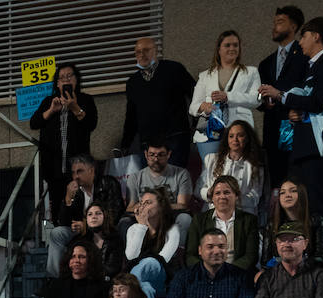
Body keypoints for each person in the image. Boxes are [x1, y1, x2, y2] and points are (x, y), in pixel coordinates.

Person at [258, 16, 323, 230]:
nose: (300, 42)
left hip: (320, 149)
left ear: (316, 37)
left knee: (318, 207)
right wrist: (295, 112)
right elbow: (307, 102)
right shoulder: (310, 68)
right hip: (301, 149)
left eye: (304, 36)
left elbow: (317, 102)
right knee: (297, 208)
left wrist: (281, 96)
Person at [118, 38, 195, 167]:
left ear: (156, 51)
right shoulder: (133, 82)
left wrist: (195, 123)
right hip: (148, 145)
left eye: (146, 50)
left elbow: (195, 94)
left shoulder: (174, 69)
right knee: (150, 185)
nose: (142, 55)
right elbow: (131, 116)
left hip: (175, 139)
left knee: (175, 182)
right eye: (138, 52)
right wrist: (125, 144)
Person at [257, 5, 309, 191]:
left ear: (293, 26)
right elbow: (259, 95)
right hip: (272, 129)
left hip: (295, 126)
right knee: (276, 182)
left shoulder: (304, 56)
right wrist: (264, 102)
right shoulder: (265, 63)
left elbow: (307, 89)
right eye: (274, 23)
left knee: (297, 182)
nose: (275, 27)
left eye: (280, 22)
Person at [188, 30, 260, 161]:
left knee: (240, 172)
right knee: (210, 174)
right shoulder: (205, 75)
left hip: (239, 131)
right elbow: (193, 107)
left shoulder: (251, 72)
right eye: (227, 45)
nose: (232, 48)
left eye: (235, 45)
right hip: (210, 132)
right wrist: (203, 107)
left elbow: (256, 99)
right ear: (219, 49)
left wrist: (228, 97)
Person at [46, 155, 124, 276]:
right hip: (81, 231)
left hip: (104, 229)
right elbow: (63, 222)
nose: (75, 176)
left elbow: (116, 212)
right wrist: (67, 198)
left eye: (79, 171)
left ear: (91, 170)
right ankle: (56, 278)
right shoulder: (76, 192)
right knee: (57, 233)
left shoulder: (107, 183)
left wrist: (87, 226)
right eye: (73, 172)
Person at [29, 63, 98, 194]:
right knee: (57, 208)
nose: (66, 79)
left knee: (80, 205)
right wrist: (51, 111)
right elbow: (34, 123)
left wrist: (75, 107)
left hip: (79, 168)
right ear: (57, 84)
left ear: (76, 80)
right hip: (53, 167)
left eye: (69, 76)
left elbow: (91, 124)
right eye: (61, 78)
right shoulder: (49, 101)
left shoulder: (86, 100)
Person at [185, 175, 259, 274]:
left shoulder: (249, 221)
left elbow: (251, 256)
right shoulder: (199, 220)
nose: (222, 196)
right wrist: (206, 271)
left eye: (227, 192)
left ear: (236, 196)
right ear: (212, 197)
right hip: (205, 275)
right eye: (217, 193)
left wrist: (228, 272)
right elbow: (190, 255)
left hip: (237, 274)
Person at [121, 139, 193, 238]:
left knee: (185, 218)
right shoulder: (135, 177)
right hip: (144, 216)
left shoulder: (181, 174)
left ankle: (178, 251)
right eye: (152, 155)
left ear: (168, 154)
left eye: (161, 155)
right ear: (146, 155)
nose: (156, 159)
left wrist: (155, 207)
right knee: (124, 222)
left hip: (170, 215)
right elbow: (130, 208)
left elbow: (182, 205)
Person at [124, 188, 181, 298]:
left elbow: (163, 259)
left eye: (148, 203)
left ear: (160, 207)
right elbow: (131, 256)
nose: (143, 206)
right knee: (145, 288)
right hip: (140, 278)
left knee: (150, 261)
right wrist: (141, 226)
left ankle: (129, 289)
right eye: (141, 203)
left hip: (162, 278)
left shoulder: (172, 229)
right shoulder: (133, 229)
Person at [199, 121, 267, 217]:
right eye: (231, 136)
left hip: (242, 215)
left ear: (247, 138)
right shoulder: (211, 159)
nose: (235, 139)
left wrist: (232, 200)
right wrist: (211, 193)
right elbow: (199, 190)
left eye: (240, 136)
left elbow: (255, 198)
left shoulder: (255, 165)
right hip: (214, 213)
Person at [265, 177, 323, 266]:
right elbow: (266, 260)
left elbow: (320, 257)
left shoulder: (315, 221)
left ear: (302, 194)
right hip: (279, 272)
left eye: (293, 191)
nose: (287, 195)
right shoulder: (272, 224)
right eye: (282, 192)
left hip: (308, 270)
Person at [81, 202, 124, 279]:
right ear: (86, 219)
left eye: (98, 213)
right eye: (90, 214)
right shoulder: (82, 241)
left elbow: (113, 268)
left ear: (105, 217)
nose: (93, 217)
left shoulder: (115, 239)